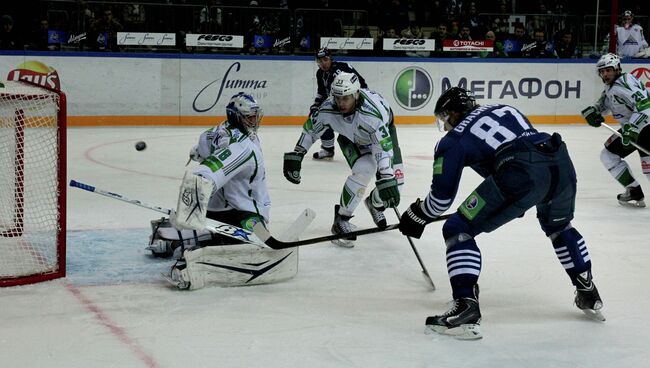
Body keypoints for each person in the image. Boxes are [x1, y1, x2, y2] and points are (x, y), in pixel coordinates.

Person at [399, 87, 604, 340]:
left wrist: (418, 214)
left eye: (444, 119)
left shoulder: (453, 141)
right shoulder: (502, 108)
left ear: (453, 113)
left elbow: (440, 201)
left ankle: (465, 308)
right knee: (560, 227)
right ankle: (587, 289)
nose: (445, 127)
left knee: (457, 228)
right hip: (560, 161)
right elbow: (516, 147)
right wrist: (514, 199)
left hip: (521, 173)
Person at [150, 93, 295, 290]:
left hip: (215, 211)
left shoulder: (216, 131)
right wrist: (188, 210)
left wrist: (197, 153)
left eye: (254, 115)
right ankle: (189, 260)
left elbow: (200, 147)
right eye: (249, 116)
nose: (254, 120)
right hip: (242, 213)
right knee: (256, 245)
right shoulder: (242, 147)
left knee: (222, 232)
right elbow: (206, 173)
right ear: (236, 116)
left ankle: (172, 237)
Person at [284, 72, 404, 247]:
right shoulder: (327, 109)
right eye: (338, 98)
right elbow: (311, 129)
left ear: (356, 94)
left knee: (397, 184)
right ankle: (342, 219)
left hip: (383, 134)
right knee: (365, 168)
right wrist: (298, 153)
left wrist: (386, 176)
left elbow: (382, 147)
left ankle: (375, 203)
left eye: (346, 98)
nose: (341, 103)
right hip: (351, 138)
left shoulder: (373, 115)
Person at [581, 53, 650, 207]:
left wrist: (632, 128)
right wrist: (594, 110)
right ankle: (633, 190)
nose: (605, 74)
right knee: (608, 154)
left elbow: (646, 106)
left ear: (617, 68)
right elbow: (605, 103)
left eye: (608, 70)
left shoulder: (624, 85)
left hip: (646, 128)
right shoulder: (612, 85)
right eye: (602, 71)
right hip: (632, 129)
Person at [309, 47, 368, 160]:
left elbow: (361, 85)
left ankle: (365, 146)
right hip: (338, 101)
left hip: (352, 100)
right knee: (318, 116)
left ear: (331, 59)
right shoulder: (320, 73)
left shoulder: (340, 70)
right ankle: (328, 149)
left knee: (355, 125)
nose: (323, 63)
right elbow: (321, 92)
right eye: (320, 61)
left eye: (325, 60)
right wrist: (316, 105)